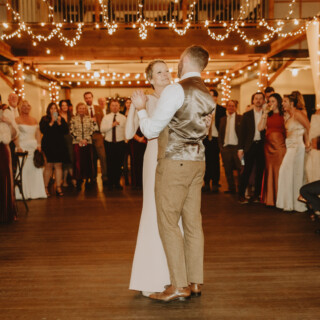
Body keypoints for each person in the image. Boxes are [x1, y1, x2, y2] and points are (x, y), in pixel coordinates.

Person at [132, 45, 215, 302]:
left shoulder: (176, 89)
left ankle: (179, 285)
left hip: (174, 162)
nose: (175, 66)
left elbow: (151, 131)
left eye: (179, 60)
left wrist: (141, 108)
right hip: (197, 162)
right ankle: (195, 280)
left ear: (186, 60)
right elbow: (204, 130)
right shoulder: (208, 94)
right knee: (192, 224)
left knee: (168, 223)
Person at [127, 60, 174, 296]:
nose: (165, 74)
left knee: (174, 215)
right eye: (159, 72)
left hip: (177, 158)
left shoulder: (177, 96)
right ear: (150, 79)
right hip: (154, 155)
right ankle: (152, 275)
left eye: (167, 71)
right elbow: (128, 133)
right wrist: (136, 108)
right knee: (154, 212)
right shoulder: (147, 100)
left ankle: (174, 275)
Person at [276, 94, 310, 212]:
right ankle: (288, 202)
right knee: (288, 173)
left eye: (285, 101)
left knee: (294, 173)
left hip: (297, 148)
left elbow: (308, 128)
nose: (282, 103)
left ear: (292, 103)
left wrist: (308, 144)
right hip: (290, 147)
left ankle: (296, 203)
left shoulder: (299, 114)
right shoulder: (288, 116)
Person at [258, 93, 286, 206]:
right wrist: (264, 113)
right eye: (269, 101)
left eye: (273, 101)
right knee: (269, 171)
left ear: (278, 102)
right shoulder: (267, 115)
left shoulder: (284, 114)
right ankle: (270, 199)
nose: (270, 104)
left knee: (280, 171)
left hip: (280, 147)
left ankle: (280, 198)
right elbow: (260, 128)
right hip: (268, 147)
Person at [15, 100, 47, 200]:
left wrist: (39, 145)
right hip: (22, 147)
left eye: (28, 106)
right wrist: (17, 146)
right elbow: (15, 135)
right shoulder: (17, 119)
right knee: (23, 169)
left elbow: (37, 134)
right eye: (23, 106)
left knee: (35, 168)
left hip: (33, 147)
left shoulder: (34, 120)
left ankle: (36, 192)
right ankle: (23, 193)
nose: (26, 108)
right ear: (20, 108)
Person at [238, 92, 266, 204]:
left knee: (260, 171)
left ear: (263, 101)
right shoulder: (246, 115)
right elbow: (242, 134)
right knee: (246, 171)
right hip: (250, 146)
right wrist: (240, 149)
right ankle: (241, 195)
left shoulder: (267, 114)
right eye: (256, 98)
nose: (258, 100)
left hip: (262, 146)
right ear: (253, 101)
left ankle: (256, 195)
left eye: (260, 98)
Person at [40, 102, 69, 197]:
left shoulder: (61, 119)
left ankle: (58, 187)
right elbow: (43, 130)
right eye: (51, 108)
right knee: (48, 165)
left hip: (59, 145)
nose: (53, 110)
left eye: (55, 108)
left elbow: (65, 131)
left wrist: (60, 122)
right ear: (49, 110)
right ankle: (45, 187)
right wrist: (51, 122)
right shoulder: (44, 119)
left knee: (58, 165)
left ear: (57, 110)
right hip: (48, 145)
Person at [202, 89, 226, 193]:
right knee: (205, 161)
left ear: (216, 97)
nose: (211, 98)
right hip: (206, 138)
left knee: (215, 161)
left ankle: (215, 183)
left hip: (216, 138)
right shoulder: (203, 109)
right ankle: (206, 183)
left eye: (213, 96)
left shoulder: (221, 109)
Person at [100, 99, 127, 190]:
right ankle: (110, 183)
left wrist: (126, 140)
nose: (115, 107)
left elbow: (126, 130)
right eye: (113, 105)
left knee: (119, 164)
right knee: (110, 163)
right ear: (110, 107)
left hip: (120, 143)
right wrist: (112, 125)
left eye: (116, 105)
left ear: (119, 107)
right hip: (109, 143)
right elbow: (102, 129)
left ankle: (117, 182)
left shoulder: (123, 118)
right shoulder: (106, 117)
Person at [218, 99, 242, 194]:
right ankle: (231, 188)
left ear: (236, 108)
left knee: (240, 169)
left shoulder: (241, 118)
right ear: (227, 107)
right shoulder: (223, 119)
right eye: (229, 106)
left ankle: (241, 188)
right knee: (228, 170)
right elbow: (220, 134)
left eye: (233, 106)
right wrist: (221, 147)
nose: (231, 107)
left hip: (237, 148)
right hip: (226, 148)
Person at [84, 92, 108, 185]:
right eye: (86, 98)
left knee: (103, 156)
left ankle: (105, 176)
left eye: (89, 97)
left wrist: (96, 121)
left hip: (98, 135)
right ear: (84, 99)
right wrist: (89, 120)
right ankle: (92, 177)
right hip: (88, 136)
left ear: (92, 98)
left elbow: (103, 121)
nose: (88, 99)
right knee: (91, 157)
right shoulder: (83, 109)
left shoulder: (98, 108)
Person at [69, 102, 94, 189]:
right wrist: (80, 140)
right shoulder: (73, 119)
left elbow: (92, 130)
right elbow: (72, 131)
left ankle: (88, 179)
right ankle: (78, 179)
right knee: (78, 162)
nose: (82, 110)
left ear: (85, 109)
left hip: (88, 142)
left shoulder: (89, 119)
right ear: (77, 109)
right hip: (77, 142)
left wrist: (86, 139)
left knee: (87, 161)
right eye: (80, 108)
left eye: (83, 108)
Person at [0, 104, 17, 223]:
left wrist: (9, 123)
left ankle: (5, 213)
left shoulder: (6, 114)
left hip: (3, 150)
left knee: (4, 179)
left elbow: (15, 134)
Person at [59, 100, 74, 187]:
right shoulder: (56, 115)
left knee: (71, 158)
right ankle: (63, 180)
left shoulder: (71, 115)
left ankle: (72, 178)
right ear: (60, 106)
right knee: (63, 160)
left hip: (70, 139)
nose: (64, 107)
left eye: (66, 105)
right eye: (62, 105)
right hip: (61, 139)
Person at [305, 108, 320, 183]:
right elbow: (312, 133)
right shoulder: (317, 113)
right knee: (310, 172)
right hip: (313, 151)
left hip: (317, 150)